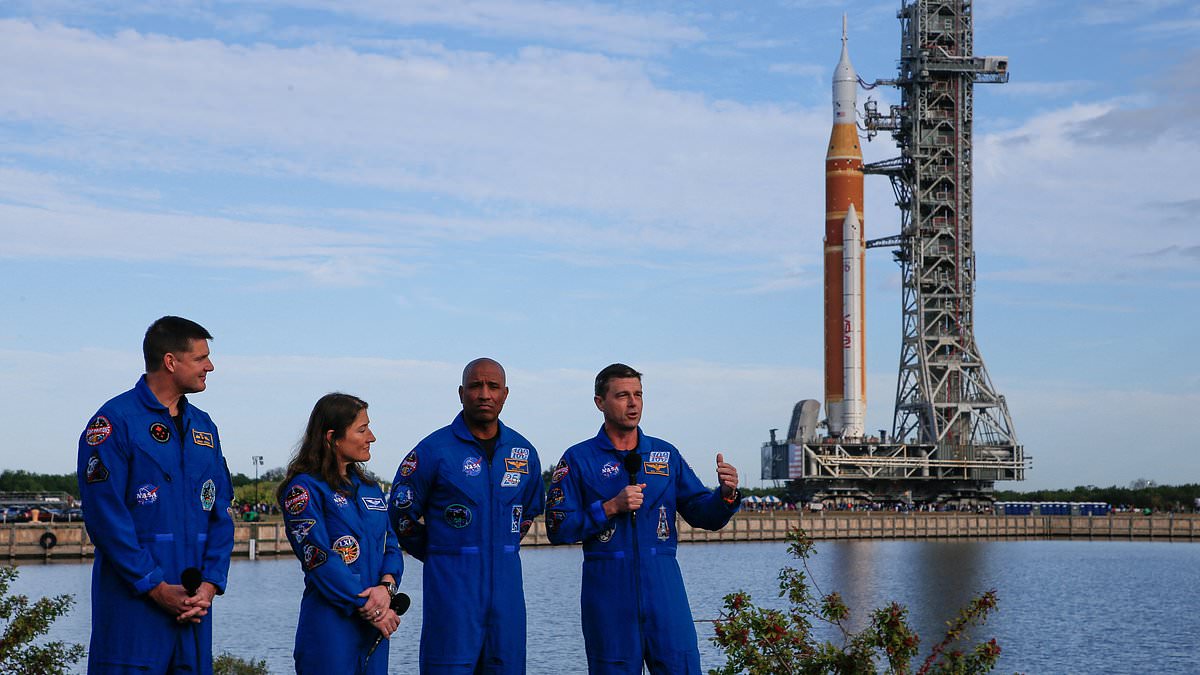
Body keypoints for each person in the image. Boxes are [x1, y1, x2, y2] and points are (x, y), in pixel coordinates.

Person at [546, 363, 742, 674]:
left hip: (665, 588)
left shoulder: (665, 455)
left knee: (683, 666)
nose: (633, 402)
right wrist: (609, 507)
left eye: (638, 394)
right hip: (608, 594)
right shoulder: (578, 459)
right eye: (622, 395)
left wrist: (726, 495)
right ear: (600, 402)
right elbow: (557, 529)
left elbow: (703, 513)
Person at [76, 316, 234, 674]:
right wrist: (155, 587)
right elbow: (106, 518)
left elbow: (221, 513)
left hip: (194, 610)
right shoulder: (115, 422)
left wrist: (210, 584)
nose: (210, 366)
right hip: (134, 610)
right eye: (201, 358)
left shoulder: (204, 427)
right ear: (170, 361)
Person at [388, 358, 545, 674]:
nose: (484, 394)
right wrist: (440, 551)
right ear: (461, 393)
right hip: (452, 595)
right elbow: (400, 514)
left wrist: (499, 546)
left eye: (493, 386)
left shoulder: (523, 453)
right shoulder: (433, 450)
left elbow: (528, 511)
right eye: (475, 386)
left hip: (508, 597)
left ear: (505, 394)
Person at [278, 393, 404, 675]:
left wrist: (386, 587)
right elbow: (319, 557)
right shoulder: (305, 490)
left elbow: (391, 546)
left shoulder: (371, 489)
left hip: (374, 625)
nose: (372, 437)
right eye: (362, 429)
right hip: (331, 626)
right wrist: (368, 606)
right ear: (333, 437)